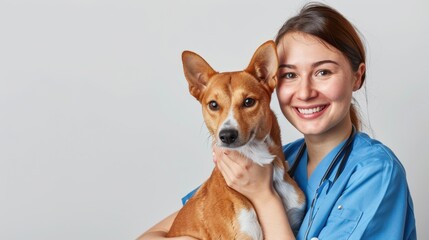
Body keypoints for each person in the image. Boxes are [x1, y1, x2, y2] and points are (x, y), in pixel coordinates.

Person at [138, 2, 416, 240]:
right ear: (274, 81)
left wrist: (263, 196)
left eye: (323, 72)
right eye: (290, 75)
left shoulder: (375, 173)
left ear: (357, 76)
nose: (305, 92)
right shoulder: (278, 158)